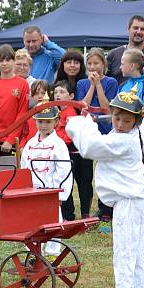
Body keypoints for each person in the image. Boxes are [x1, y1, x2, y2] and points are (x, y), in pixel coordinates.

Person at [65, 88, 144, 288]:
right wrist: (90, 122)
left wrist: (78, 123)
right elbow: (100, 140)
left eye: (127, 120)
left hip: (129, 201)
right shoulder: (120, 135)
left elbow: (90, 148)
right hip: (133, 200)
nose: (121, 124)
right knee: (135, 253)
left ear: (136, 121)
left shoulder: (123, 140)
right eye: (117, 118)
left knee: (124, 254)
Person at [20, 105, 72, 256]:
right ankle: (33, 250)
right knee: (32, 220)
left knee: (53, 221)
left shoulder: (59, 145)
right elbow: (24, 168)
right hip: (33, 191)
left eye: (48, 122)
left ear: (56, 121)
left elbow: (64, 171)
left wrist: (61, 195)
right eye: (40, 121)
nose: (43, 126)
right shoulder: (30, 144)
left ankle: (52, 251)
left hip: (51, 191)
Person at [0, 44, 30, 157]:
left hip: (10, 141)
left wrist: (10, 139)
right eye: (1, 60)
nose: (4, 63)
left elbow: (22, 114)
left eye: (8, 60)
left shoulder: (22, 84)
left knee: (9, 173)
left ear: (13, 61)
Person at [52, 80, 89, 222]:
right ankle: (68, 214)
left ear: (71, 96)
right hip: (65, 152)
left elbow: (69, 135)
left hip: (75, 153)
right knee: (65, 182)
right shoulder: (57, 112)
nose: (57, 95)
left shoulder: (71, 113)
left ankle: (81, 214)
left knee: (82, 183)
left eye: (62, 92)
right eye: (55, 92)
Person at [106, 15, 144, 85]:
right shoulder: (113, 55)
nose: (138, 32)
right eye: (135, 28)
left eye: (142, 29)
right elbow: (103, 81)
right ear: (128, 29)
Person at [75, 48, 117, 133]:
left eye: (96, 63)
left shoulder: (111, 82)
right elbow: (82, 108)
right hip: (87, 128)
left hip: (105, 128)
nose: (92, 67)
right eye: (89, 64)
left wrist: (98, 84)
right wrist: (92, 85)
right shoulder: (81, 83)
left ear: (103, 64)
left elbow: (107, 109)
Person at [117, 48, 144, 113]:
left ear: (132, 66)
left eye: (122, 64)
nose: (120, 67)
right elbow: (116, 111)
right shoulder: (122, 85)